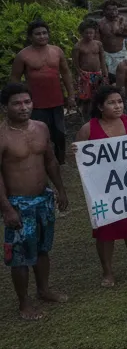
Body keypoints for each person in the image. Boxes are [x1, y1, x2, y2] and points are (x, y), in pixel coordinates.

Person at [0, 83, 69, 320]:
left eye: (27, 102)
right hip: (18, 203)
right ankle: (24, 303)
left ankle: (44, 289)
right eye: (17, 103)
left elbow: (50, 160)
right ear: (5, 107)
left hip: (43, 198)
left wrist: (60, 189)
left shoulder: (41, 127)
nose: (23, 107)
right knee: (19, 256)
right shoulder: (2, 135)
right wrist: (7, 208)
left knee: (42, 248)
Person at [73, 85, 127, 287]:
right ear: (100, 106)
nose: (117, 106)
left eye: (120, 102)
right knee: (105, 228)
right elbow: (78, 157)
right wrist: (75, 151)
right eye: (111, 102)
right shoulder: (89, 128)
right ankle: (107, 272)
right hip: (103, 187)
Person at [9, 20, 76, 165]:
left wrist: (71, 95)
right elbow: (14, 79)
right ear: (30, 37)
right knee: (37, 133)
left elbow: (65, 73)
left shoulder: (57, 51)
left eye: (44, 33)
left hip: (57, 100)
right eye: (38, 34)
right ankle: (39, 160)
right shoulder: (23, 55)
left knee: (59, 133)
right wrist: (18, 102)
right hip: (35, 103)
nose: (42, 36)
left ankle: (61, 161)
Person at [71, 20, 106, 120]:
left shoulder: (98, 44)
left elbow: (102, 60)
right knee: (86, 98)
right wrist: (79, 73)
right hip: (85, 75)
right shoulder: (78, 46)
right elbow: (75, 63)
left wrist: (104, 73)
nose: (89, 35)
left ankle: (98, 116)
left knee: (99, 96)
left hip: (98, 73)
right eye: (86, 33)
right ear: (81, 33)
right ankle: (86, 117)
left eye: (91, 32)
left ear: (95, 32)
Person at [97, 0, 127, 81]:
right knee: (108, 76)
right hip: (106, 53)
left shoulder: (122, 20)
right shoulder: (101, 23)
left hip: (121, 52)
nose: (112, 12)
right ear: (105, 11)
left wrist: (120, 34)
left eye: (114, 9)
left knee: (123, 74)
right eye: (110, 9)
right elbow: (97, 41)